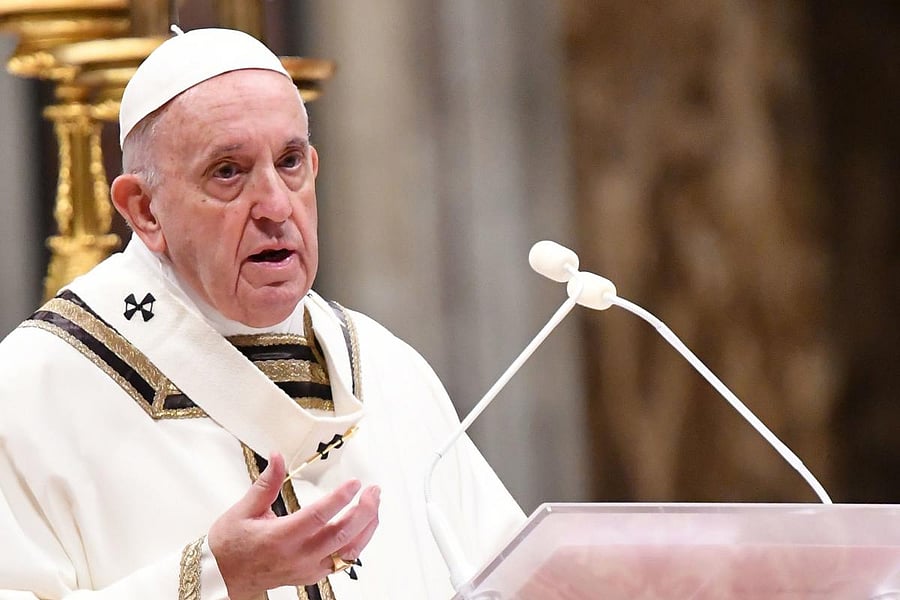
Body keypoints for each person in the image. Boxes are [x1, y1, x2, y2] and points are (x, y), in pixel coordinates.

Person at [0, 28, 524, 600]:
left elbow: (514, 579)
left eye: (290, 162)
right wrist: (214, 579)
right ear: (144, 210)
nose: (276, 206)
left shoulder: (387, 370)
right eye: (228, 171)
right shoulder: (34, 389)